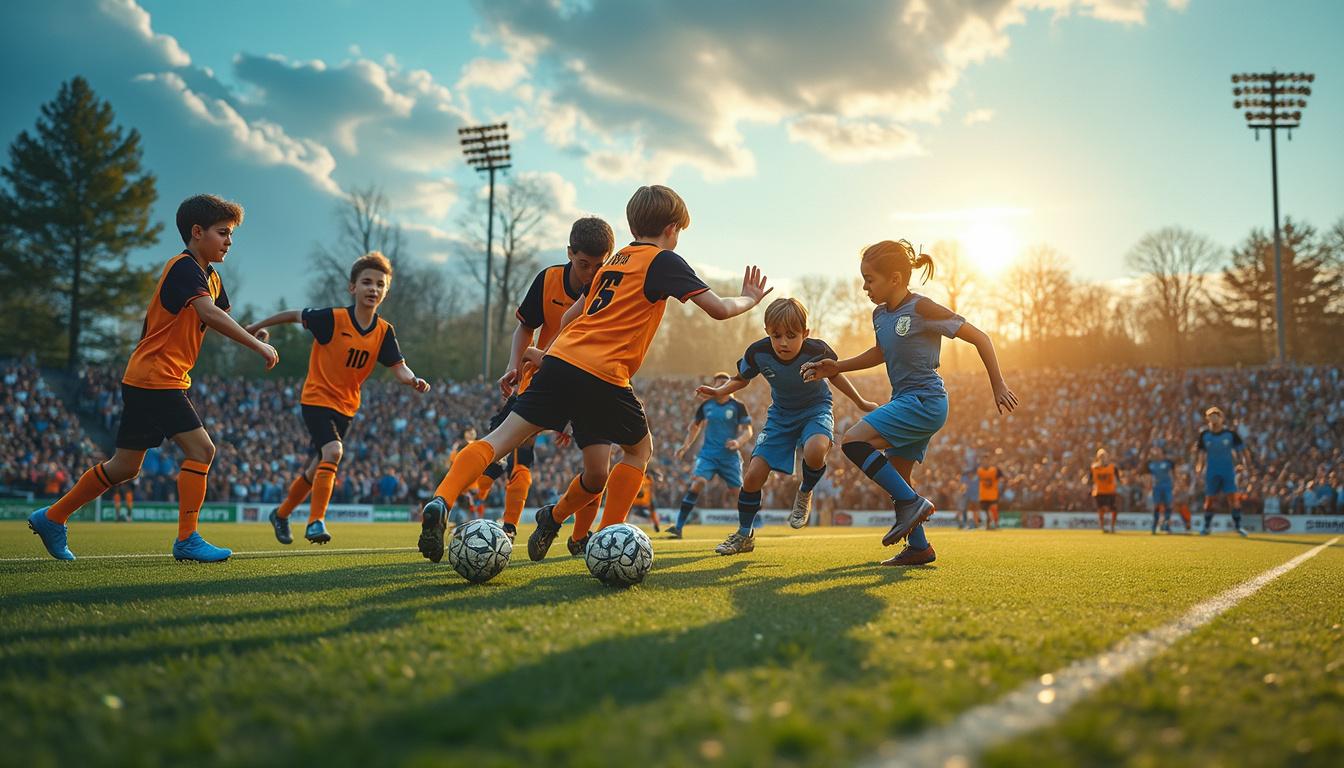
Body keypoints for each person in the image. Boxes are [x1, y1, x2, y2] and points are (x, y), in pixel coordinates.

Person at [417, 184, 771, 564]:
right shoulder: (663, 261)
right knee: (639, 451)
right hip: (604, 374)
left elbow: (570, 317)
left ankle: (443, 498)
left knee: (501, 440)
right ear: (672, 229)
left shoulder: (615, 261)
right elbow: (717, 309)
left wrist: (544, 356)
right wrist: (749, 299)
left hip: (561, 364)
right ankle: (608, 538)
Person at [28, 194, 278, 562]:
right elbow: (208, 314)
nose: (229, 241)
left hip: (150, 376)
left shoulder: (211, 276)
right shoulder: (184, 267)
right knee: (202, 450)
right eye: (223, 233)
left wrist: (252, 335)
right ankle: (187, 539)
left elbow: (221, 315)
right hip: (158, 376)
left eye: (231, 234)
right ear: (197, 232)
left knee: (125, 466)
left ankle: (52, 517)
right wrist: (257, 348)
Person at [802, 240, 1016, 566]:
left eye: (869, 279)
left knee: (853, 441)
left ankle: (913, 503)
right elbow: (880, 352)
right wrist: (837, 366)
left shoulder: (922, 308)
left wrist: (997, 383)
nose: (864, 287)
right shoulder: (879, 315)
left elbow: (980, 337)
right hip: (905, 400)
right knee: (899, 477)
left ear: (896, 279)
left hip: (926, 400)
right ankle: (919, 548)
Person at [246, 251, 430, 546]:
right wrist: (254, 329)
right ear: (352, 287)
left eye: (380, 284)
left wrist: (413, 380)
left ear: (386, 290)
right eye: (367, 282)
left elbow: (398, 366)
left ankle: (281, 515)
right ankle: (316, 521)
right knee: (333, 452)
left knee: (316, 466)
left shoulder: (383, 331)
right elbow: (295, 315)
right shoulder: (332, 318)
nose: (373, 289)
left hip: (347, 406)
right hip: (316, 398)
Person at [697, 298, 877, 555]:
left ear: (806, 334)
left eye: (791, 336)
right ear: (767, 332)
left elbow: (835, 374)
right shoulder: (758, 353)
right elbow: (740, 379)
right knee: (752, 477)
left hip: (816, 408)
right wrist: (719, 390)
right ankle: (744, 535)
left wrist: (860, 401)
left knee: (815, 451)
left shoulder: (817, 350)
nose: (783, 342)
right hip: (780, 416)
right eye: (776, 335)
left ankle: (804, 492)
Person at [475, 217, 614, 542]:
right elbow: (526, 327)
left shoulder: (611, 285)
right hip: (541, 381)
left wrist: (568, 417)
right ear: (569, 253)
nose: (591, 274)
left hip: (588, 384)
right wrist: (515, 364)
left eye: (599, 265)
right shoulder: (548, 279)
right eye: (583, 264)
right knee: (506, 447)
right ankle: (479, 509)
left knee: (598, 469)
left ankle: (578, 535)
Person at [666, 372, 752, 539]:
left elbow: (748, 430)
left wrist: (738, 442)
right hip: (708, 455)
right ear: (713, 387)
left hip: (730, 456)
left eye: (725, 385)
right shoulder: (706, 406)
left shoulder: (738, 406)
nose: (722, 388)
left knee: (737, 492)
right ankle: (678, 527)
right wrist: (685, 446)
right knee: (698, 482)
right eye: (718, 385)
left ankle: (745, 531)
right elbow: (694, 427)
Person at [1194, 406, 1251, 536]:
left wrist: (1245, 464)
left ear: (1221, 418)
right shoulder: (1204, 434)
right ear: (1207, 418)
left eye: (1216, 416)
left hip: (1227, 471)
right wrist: (1198, 469)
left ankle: (1238, 526)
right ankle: (1207, 527)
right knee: (1210, 499)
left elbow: (1243, 450)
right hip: (1211, 472)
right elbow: (1201, 455)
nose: (1213, 418)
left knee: (1232, 498)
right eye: (1211, 416)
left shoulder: (1230, 434)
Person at [1143, 445, 1178, 534]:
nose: (1155, 452)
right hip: (1156, 487)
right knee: (1156, 506)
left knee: (1168, 505)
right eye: (1154, 450)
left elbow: (1174, 474)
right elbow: (1147, 476)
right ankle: (1155, 525)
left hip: (1167, 487)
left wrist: (1175, 485)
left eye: (1157, 449)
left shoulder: (1169, 462)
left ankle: (1166, 525)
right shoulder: (1150, 463)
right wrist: (1148, 487)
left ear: (1162, 451)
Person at [1090, 449, 1120, 533]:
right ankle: (1103, 527)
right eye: (1101, 456)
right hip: (1099, 492)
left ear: (1107, 457)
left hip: (1110, 491)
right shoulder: (1094, 467)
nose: (1103, 458)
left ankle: (1112, 527)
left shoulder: (1113, 467)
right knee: (1101, 510)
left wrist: (1118, 484)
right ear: (1098, 457)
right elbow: (1090, 479)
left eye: (1104, 456)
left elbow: (1118, 479)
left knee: (1113, 509)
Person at [976, 459, 1004, 530]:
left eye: (987, 461)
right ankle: (988, 525)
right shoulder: (979, 470)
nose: (985, 462)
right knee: (986, 511)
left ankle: (995, 524)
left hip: (992, 494)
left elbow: (1002, 478)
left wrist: (1000, 482)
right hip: (983, 495)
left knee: (993, 509)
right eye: (984, 461)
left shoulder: (995, 470)